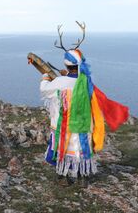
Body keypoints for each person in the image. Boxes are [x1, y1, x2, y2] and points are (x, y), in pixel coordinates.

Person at [40, 23, 129, 186]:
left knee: (64, 150)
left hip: (64, 125)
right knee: (80, 151)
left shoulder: (60, 82)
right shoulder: (86, 81)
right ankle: (82, 177)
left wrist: (46, 76)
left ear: (66, 65)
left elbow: (44, 90)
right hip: (83, 125)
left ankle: (64, 178)